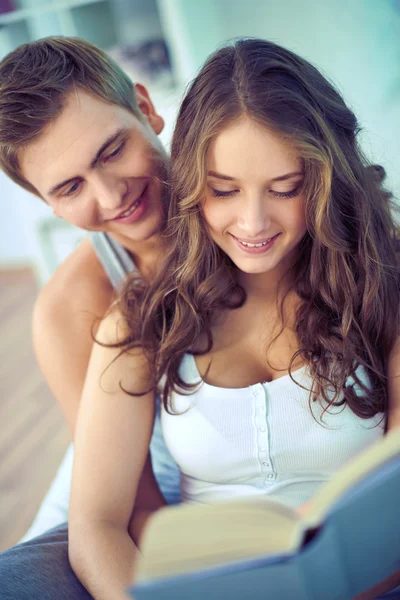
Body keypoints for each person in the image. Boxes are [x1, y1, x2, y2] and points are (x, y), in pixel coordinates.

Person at [66, 38, 400, 599]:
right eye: (224, 191)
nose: (252, 222)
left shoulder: (382, 290)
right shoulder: (142, 320)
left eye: (285, 189)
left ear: (322, 179)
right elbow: (95, 526)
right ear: (193, 184)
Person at [0, 36, 179, 599]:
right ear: (48, 204)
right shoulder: (69, 309)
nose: (111, 195)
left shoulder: (250, 214)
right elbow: (133, 507)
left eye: (111, 151)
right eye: (71, 187)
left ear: (146, 109)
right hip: (123, 473)